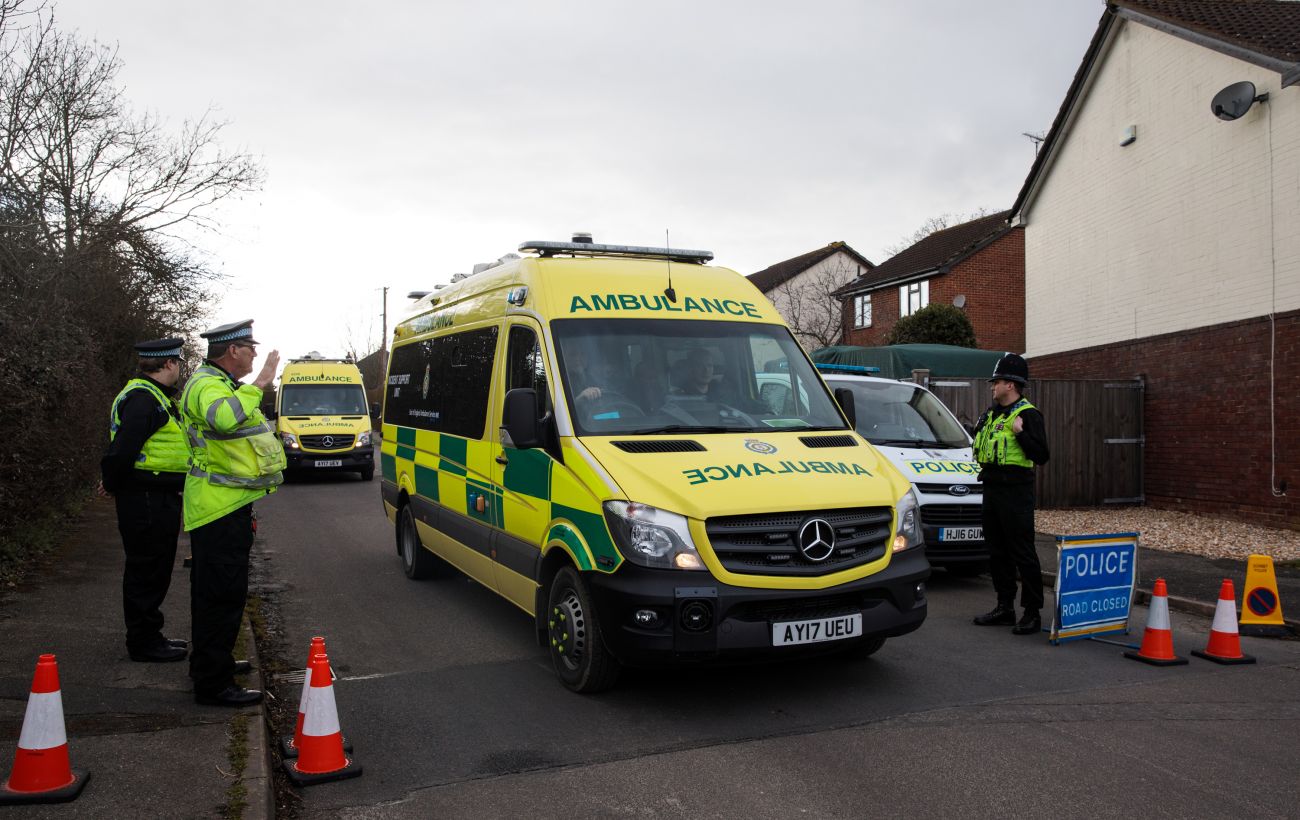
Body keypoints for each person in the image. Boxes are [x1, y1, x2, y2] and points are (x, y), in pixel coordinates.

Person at [180, 320, 284, 706]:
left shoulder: (218, 384)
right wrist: (261, 383)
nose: (256, 355)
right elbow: (224, 419)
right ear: (232, 351)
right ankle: (213, 683)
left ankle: (212, 663)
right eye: (250, 348)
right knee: (221, 597)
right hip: (218, 508)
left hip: (225, 504)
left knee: (216, 594)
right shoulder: (208, 385)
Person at [101, 338, 191, 663]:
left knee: (155, 569)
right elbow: (123, 450)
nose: (179, 368)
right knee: (146, 570)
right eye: (178, 363)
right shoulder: (143, 400)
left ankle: (151, 634)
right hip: (146, 499)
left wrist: (112, 481)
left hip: (154, 495)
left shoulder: (152, 397)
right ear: (168, 364)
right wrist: (112, 482)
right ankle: (143, 643)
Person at [971, 353, 1050, 635]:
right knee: (997, 552)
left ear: (1011, 385)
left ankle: (1032, 613)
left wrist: (1021, 434)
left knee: (1022, 552)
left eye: (998, 382)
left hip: (1016, 492)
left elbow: (1041, 455)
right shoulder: (991, 414)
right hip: (992, 488)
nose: (993, 386)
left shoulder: (1027, 415)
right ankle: (1005, 607)